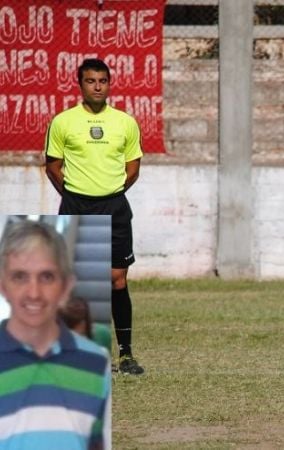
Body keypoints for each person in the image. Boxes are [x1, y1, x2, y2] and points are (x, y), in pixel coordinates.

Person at [44, 58, 144, 375]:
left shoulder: (125, 122)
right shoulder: (62, 122)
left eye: (103, 80)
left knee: (117, 279)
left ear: (109, 83)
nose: (97, 86)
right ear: (80, 84)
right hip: (76, 205)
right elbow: (53, 165)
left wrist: (109, 192)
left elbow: (133, 167)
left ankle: (126, 355)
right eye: (91, 81)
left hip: (114, 207)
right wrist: (74, 194)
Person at [0, 220, 111, 450]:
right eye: (20, 277)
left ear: (66, 286)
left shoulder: (98, 363)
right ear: (3, 286)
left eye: (47, 277)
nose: (34, 293)